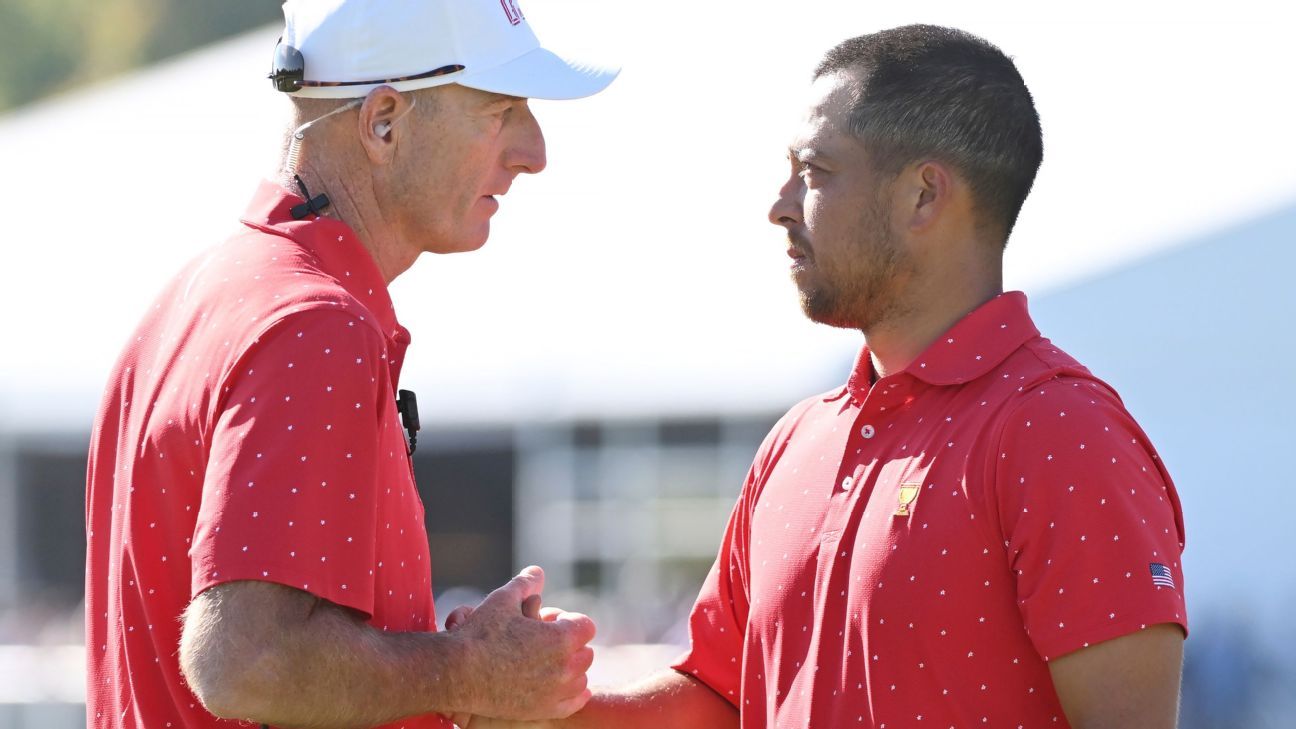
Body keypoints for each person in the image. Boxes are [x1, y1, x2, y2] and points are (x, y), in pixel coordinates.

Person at [463, 24, 1187, 729]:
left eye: (814, 172)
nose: (780, 206)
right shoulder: (796, 441)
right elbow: (722, 697)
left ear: (924, 196)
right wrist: (545, 714)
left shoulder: (1062, 431)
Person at [83, 1, 617, 727]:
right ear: (383, 123)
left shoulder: (192, 298)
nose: (533, 149)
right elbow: (243, 660)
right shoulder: (313, 322)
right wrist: (471, 673)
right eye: (499, 109)